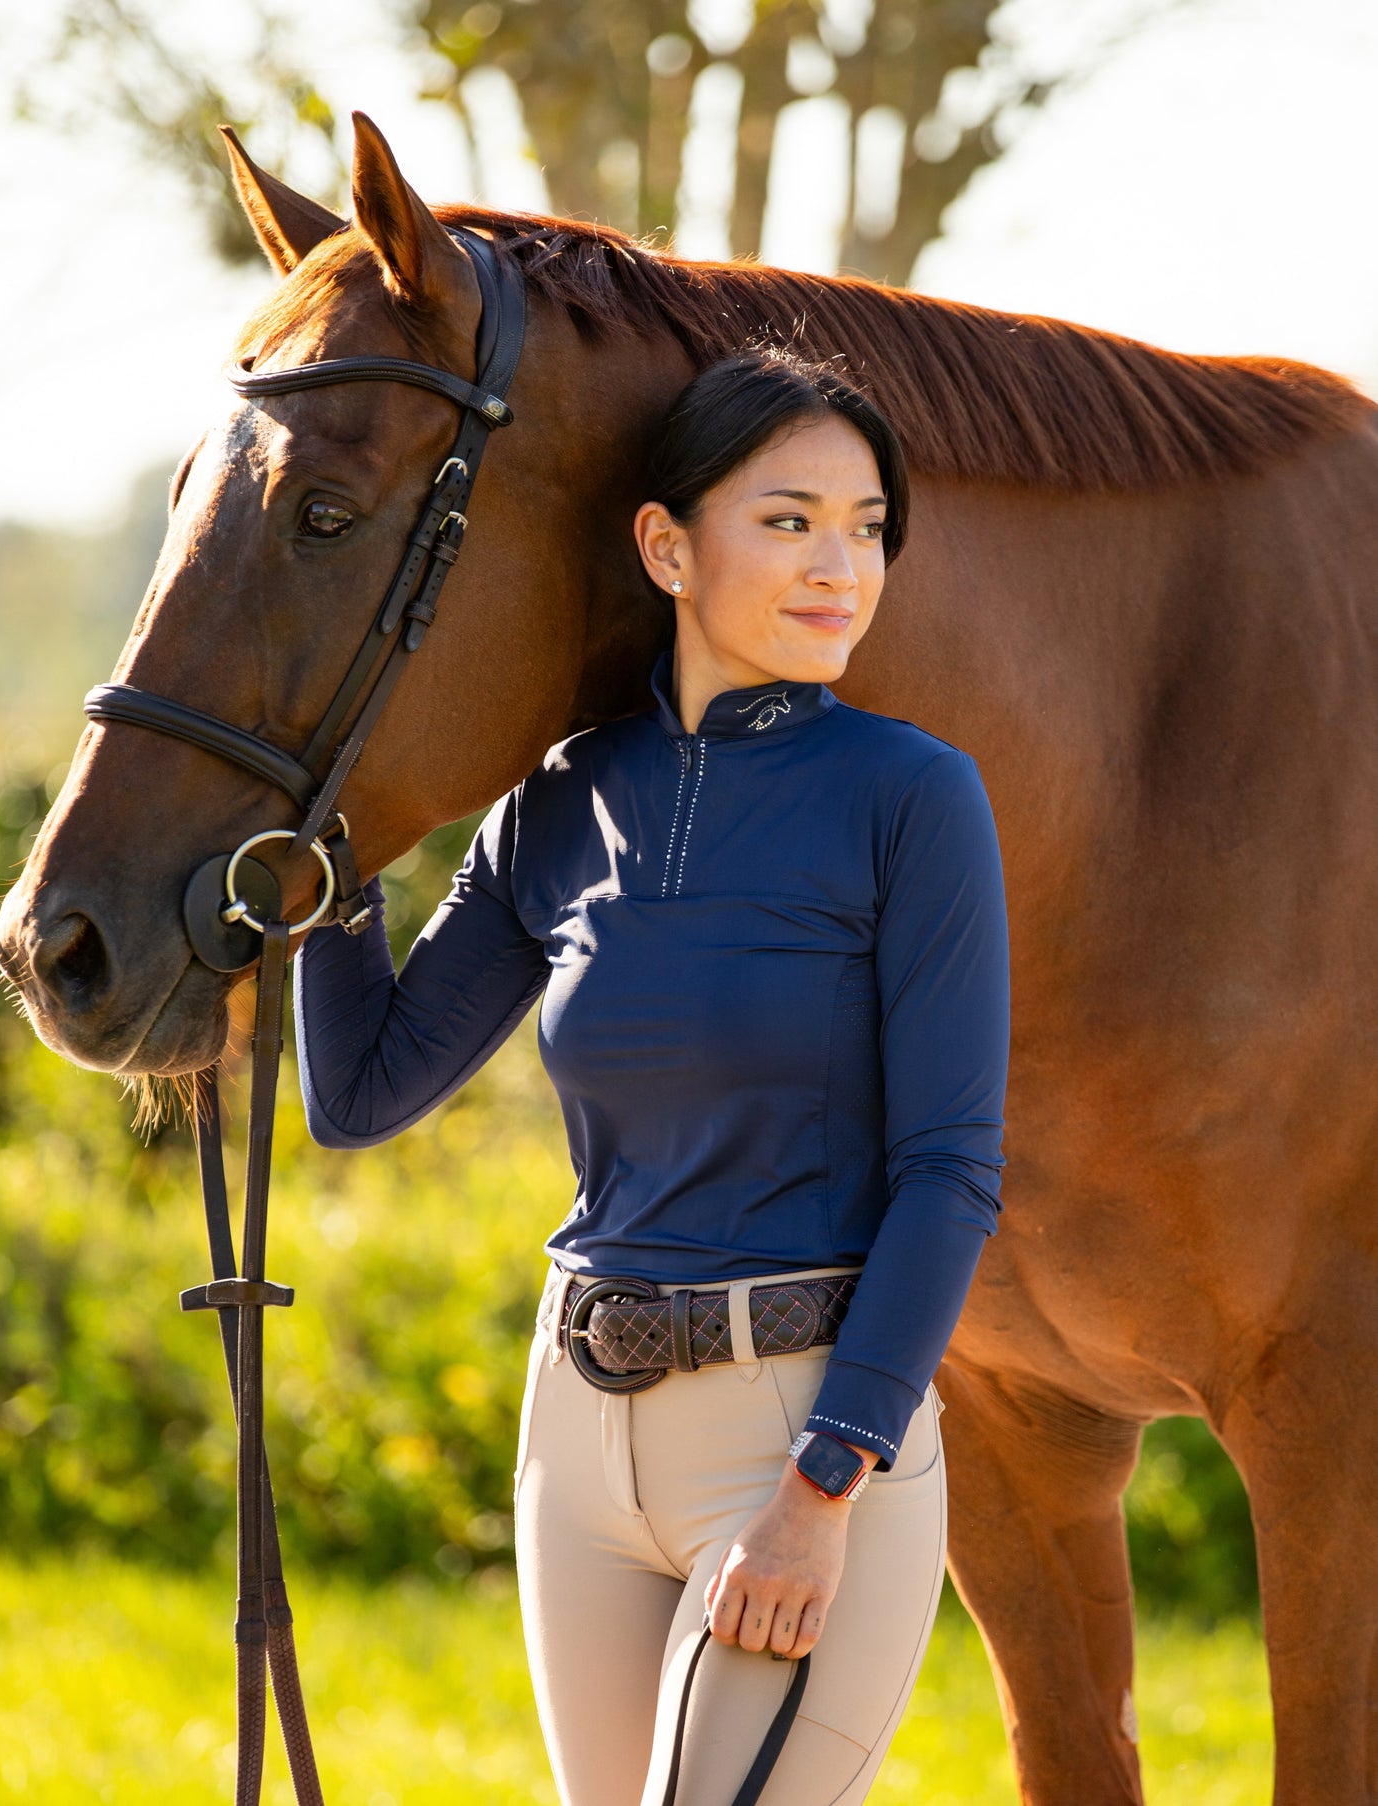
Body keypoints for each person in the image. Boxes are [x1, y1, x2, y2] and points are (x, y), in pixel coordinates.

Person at [294, 346, 1011, 1806]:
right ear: (665, 544)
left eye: (867, 526)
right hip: (575, 1431)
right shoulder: (554, 802)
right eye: (791, 518)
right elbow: (362, 1091)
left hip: (803, 1436)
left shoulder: (911, 795)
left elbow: (951, 1169)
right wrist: (337, 852)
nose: (842, 568)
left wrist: (822, 1491)